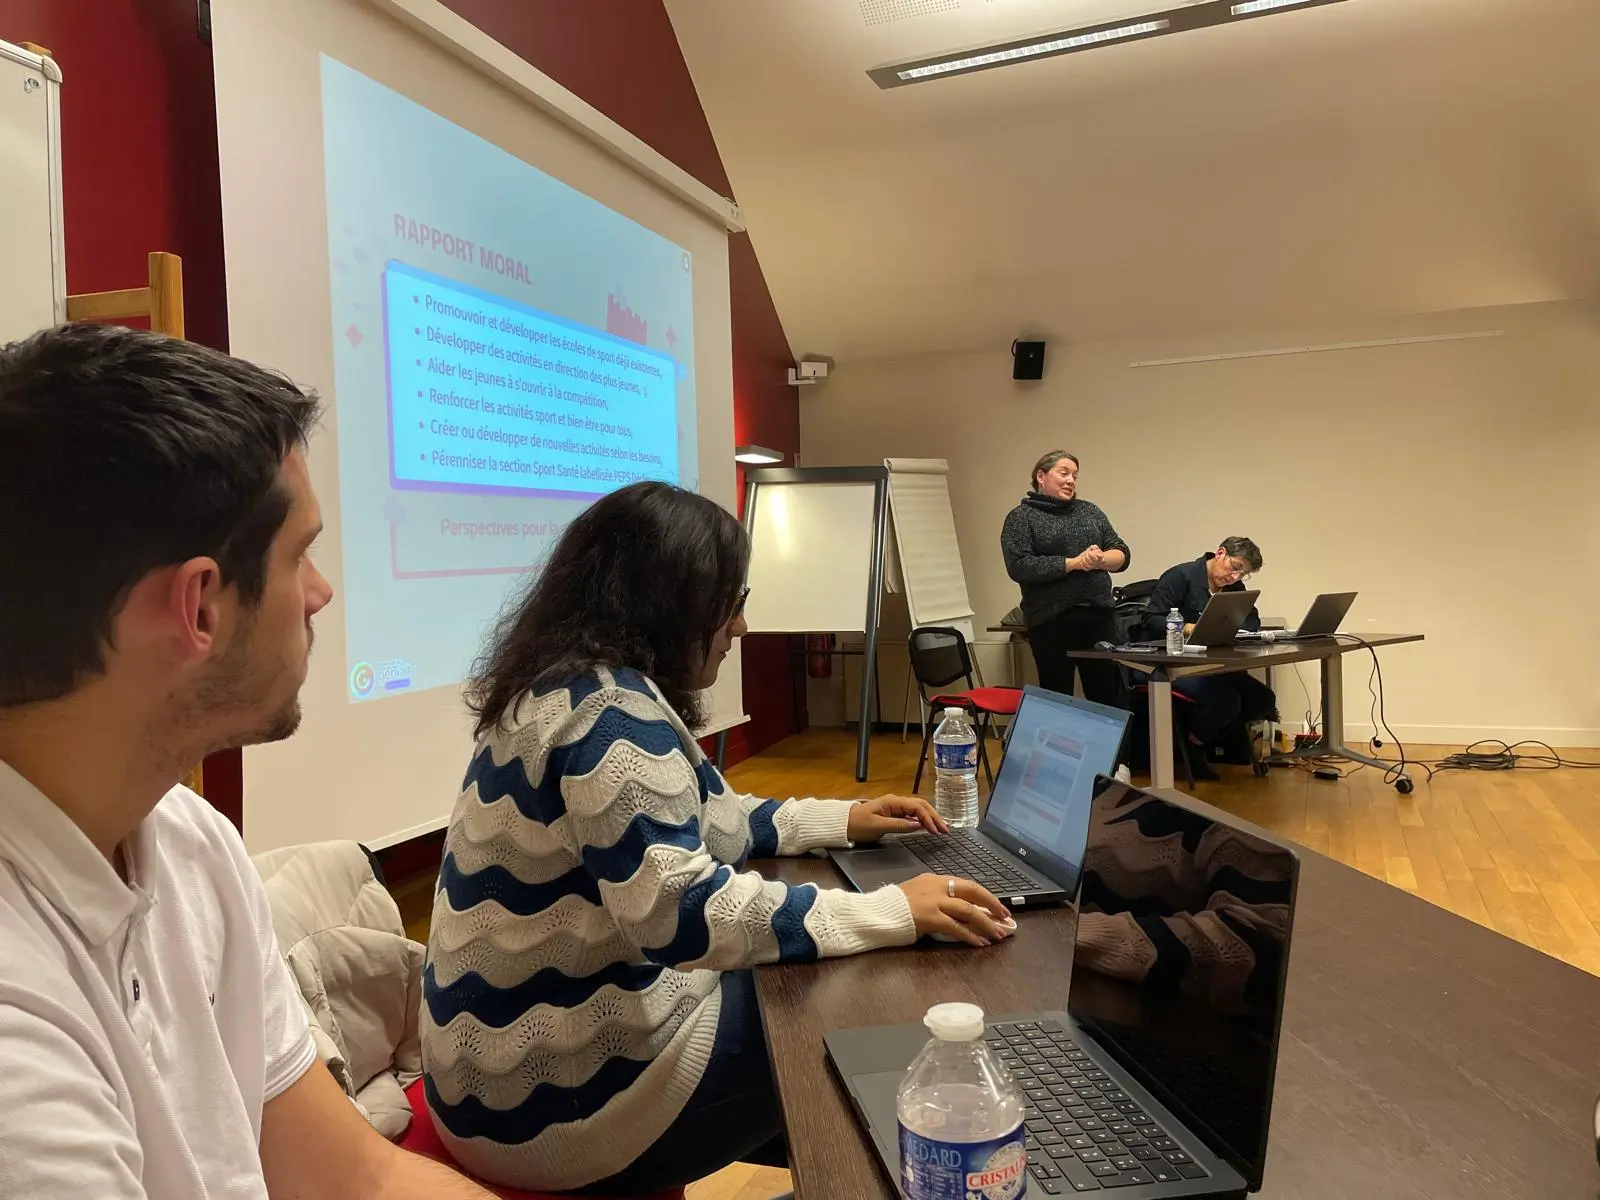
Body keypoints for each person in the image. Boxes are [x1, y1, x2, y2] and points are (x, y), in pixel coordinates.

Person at [0, 323, 496, 1198]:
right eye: (299, 554)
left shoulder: (188, 840)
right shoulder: (18, 1035)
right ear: (199, 606)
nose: (321, 593)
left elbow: (358, 1177)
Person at [421, 481, 1012, 1197]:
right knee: (852, 998)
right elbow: (685, 915)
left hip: (493, 1087)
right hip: (551, 1111)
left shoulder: (568, 691)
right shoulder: (610, 721)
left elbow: (713, 818)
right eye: (729, 603)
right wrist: (890, 910)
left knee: (808, 968)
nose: (739, 626)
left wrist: (844, 820)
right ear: (669, 602)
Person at [1000, 450, 1132, 707]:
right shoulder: (1021, 517)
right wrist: (1073, 563)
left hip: (1099, 618)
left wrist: (1099, 560)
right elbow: (1020, 566)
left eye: (1075, 475)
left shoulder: (1090, 511)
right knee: (1058, 696)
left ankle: (1110, 736)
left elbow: (1122, 553)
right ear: (1041, 476)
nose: (1071, 480)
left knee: (1107, 695)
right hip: (1051, 621)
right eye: (1064, 473)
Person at [1139, 538, 1278, 781]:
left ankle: (1204, 739)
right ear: (1220, 553)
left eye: (1242, 574)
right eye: (1234, 567)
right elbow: (1151, 619)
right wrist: (1187, 627)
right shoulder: (1181, 576)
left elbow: (1252, 620)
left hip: (1212, 663)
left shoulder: (1234, 588)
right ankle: (1193, 749)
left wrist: (1239, 628)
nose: (1235, 577)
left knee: (1263, 699)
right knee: (1225, 700)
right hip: (1173, 664)